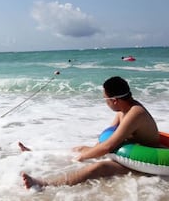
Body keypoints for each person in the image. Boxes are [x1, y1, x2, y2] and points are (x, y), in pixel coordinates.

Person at [21, 76, 159, 189]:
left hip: (145, 163)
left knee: (99, 167)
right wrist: (89, 151)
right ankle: (35, 153)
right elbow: (107, 136)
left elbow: (108, 146)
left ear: (114, 100)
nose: (106, 103)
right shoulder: (122, 111)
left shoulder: (136, 113)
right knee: (80, 148)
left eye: (105, 99)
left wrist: (81, 158)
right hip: (129, 153)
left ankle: (44, 184)